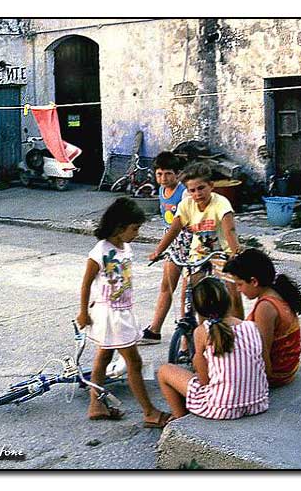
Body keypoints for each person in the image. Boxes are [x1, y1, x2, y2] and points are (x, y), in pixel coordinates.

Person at [76, 197, 171, 427]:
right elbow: (86, 283)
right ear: (119, 227)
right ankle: (149, 412)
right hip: (110, 315)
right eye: (135, 228)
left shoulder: (125, 247)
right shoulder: (99, 251)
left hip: (123, 311)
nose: (137, 233)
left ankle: (95, 405)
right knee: (134, 363)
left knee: (104, 356)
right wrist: (82, 312)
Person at [157, 277, 268, 420]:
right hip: (257, 403)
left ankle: (180, 420)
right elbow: (266, 369)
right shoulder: (252, 326)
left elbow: (204, 381)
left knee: (164, 371)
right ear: (229, 301)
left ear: (199, 310)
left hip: (220, 408)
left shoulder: (202, 331)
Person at [148, 162, 244, 319]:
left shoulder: (221, 203)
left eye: (201, 188)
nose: (197, 194)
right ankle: (193, 337)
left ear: (211, 186)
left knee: (233, 296)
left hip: (222, 254)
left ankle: (241, 333)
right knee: (195, 296)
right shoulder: (186, 204)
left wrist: (235, 254)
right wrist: (158, 251)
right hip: (198, 255)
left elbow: (230, 231)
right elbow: (174, 229)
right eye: (192, 190)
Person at [223, 248, 301, 387]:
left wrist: (260, 383)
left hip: (277, 374)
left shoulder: (265, 307)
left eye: (240, 284)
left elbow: (262, 351)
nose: (238, 289)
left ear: (254, 281)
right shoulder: (275, 292)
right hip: (290, 367)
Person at [139, 151, 192, 345]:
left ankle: (186, 342)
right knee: (166, 287)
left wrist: (159, 250)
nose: (163, 178)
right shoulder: (162, 191)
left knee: (187, 295)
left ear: (177, 174)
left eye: (168, 174)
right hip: (173, 246)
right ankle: (155, 330)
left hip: (190, 246)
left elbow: (177, 225)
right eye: (159, 174)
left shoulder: (185, 193)